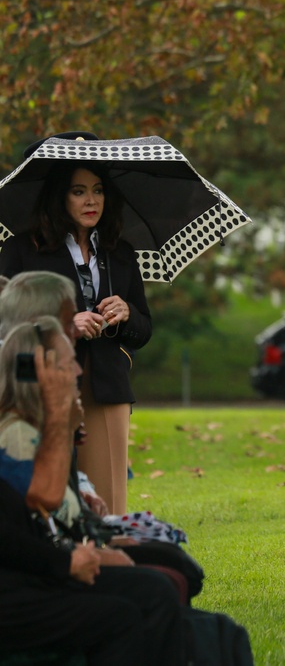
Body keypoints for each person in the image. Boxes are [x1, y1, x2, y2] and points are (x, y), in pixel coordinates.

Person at [0, 316, 184, 665]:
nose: (79, 371)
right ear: (38, 370)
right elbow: (46, 500)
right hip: (21, 587)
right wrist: (70, 560)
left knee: (161, 581)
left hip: (35, 570)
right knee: (130, 610)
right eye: (68, 362)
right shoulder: (15, 435)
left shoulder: (28, 423)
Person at [0, 132, 153, 514]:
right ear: (58, 196)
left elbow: (144, 330)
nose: (91, 201)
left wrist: (126, 315)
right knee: (46, 501)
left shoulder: (121, 254)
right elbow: (5, 324)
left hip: (105, 386)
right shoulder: (21, 249)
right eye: (79, 191)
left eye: (98, 190)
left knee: (108, 505)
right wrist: (65, 326)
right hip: (39, 384)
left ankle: (106, 568)